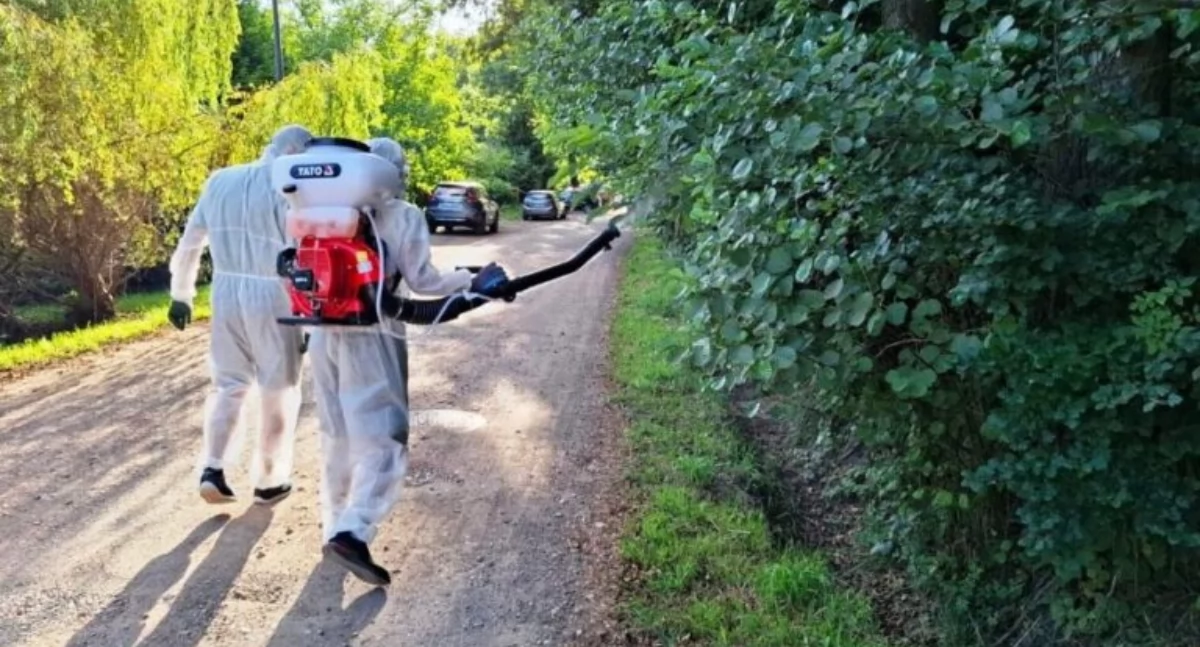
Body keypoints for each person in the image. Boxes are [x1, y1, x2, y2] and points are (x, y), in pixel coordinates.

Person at [309, 137, 509, 585]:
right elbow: (423, 282)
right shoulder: (404, 215)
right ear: (393, 172)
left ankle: (334, 524)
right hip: (374, 331)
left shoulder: (324, 214)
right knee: (386, 438)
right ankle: (352, 533)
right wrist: (474, 279)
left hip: (322, 330)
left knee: (336, 431)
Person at [167, 124, 313, 507]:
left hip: (226, 293)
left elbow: (191, 240)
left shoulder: (220, 181)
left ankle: (212, 467)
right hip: (275, 295)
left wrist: (181, 293)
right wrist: (311, 312)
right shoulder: (293, 189)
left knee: (228, 384)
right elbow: (305, 251)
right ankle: (269, 479)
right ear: (297, 153)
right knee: (278, 389)